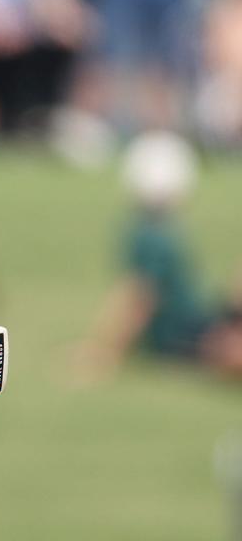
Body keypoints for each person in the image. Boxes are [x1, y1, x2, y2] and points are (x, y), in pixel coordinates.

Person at [77, 130, 242, 380]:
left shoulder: (151, 231)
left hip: (201, 327)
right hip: (187, 336)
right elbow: (140, 298)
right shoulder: (153, 237)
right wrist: (105, 351)